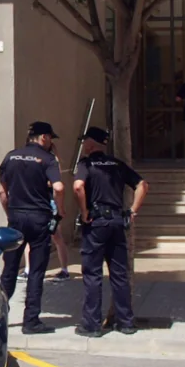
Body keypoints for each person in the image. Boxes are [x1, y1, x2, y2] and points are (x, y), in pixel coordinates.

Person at [73, 126, 146, 337]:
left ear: (91, 143)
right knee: (119, 275)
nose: (84, 145)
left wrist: (84, 211)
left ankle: (92, 325)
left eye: (85, 141)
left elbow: (78, 187)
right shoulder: (117, 164)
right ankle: (126, 323)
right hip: (116, 220)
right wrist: (132, 211)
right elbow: (142, 184)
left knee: (93, 274)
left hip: (96, 222)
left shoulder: (85, 164)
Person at [0, 121, 65, 334]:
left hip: (16, 216)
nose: (51, 142)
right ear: (43, 137)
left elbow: (2, 192)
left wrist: (10, 213)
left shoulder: (10, 156)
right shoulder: (48, 160)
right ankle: (31, 321)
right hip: (39, 218)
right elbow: (59, 187)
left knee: (9, 270)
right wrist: (59, 211)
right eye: (50, 138)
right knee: (36, 271)